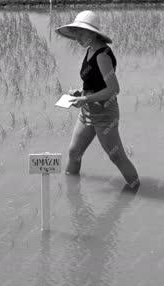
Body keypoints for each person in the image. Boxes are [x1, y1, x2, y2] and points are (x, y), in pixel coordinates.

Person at [55, 10, 140, 190]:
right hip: (87, 111)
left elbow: (113, 89)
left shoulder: (102, 55)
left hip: (104, 114)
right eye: (76, 32)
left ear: (93, 33)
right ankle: (71, 191)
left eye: (81, 32)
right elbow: (95, 81)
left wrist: (86, 98)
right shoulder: (90, 50)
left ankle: (134, 189)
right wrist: (81, 92)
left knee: (116, 156)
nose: (77, 37)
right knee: (74, 152)